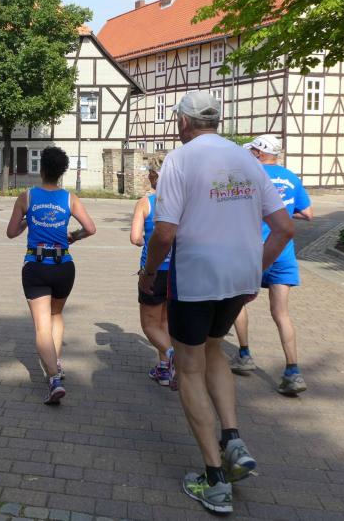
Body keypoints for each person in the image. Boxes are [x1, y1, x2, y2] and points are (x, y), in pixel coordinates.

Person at [140, 91, 294, 514]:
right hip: (238, 278)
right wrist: (255, 270)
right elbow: (284, 228)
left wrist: (149, 271)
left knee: (189, 368)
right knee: (214, 350)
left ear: (183, 122)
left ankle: (214, 479)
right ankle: (232, 439)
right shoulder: (248, 160)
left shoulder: (179, 160)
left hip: (196, 278)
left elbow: (165, 232)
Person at [6, 147, 96, 405]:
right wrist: (74, 237)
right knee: (56, 315)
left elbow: (11, 232)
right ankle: (56, 364)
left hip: (36, 265)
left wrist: (29, 220)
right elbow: (90, 228)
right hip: (63, 265)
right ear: (62, 172)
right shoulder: (70, 198)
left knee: (42, 326)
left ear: (41, 168)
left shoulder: (26, 197)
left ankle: (54, 378)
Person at [230, 135, 313, 396]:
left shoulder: (248, 176)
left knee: (237, 302)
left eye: (252, 151)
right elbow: (308, 213)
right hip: (283, 253)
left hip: (252, 252)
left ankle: (244, 355)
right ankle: (293, 372)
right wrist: (285, 212)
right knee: (281, 314)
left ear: (259, 153)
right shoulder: (291, 178)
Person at [130, 167, 175, 389]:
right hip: (177, 271)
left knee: (149, 325)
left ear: (152, 179)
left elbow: (135, 238)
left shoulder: (145, 203)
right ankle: (164, 369)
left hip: (152, 270)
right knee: (165, 321)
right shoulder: (181, 203)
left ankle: (173, 356)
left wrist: (144, 240)